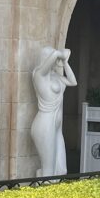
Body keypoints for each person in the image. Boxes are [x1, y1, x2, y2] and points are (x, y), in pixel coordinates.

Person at [31, 46, 77, 177]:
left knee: (61, 169)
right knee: (48, 171)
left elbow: (73, 82)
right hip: (45, 124)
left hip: (56, 126)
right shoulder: (39, 75)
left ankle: (49, 191)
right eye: (52, 56)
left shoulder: (56, 76)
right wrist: (59, 54)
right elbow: (55, 55)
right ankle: (43, 195)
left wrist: (65, 62)